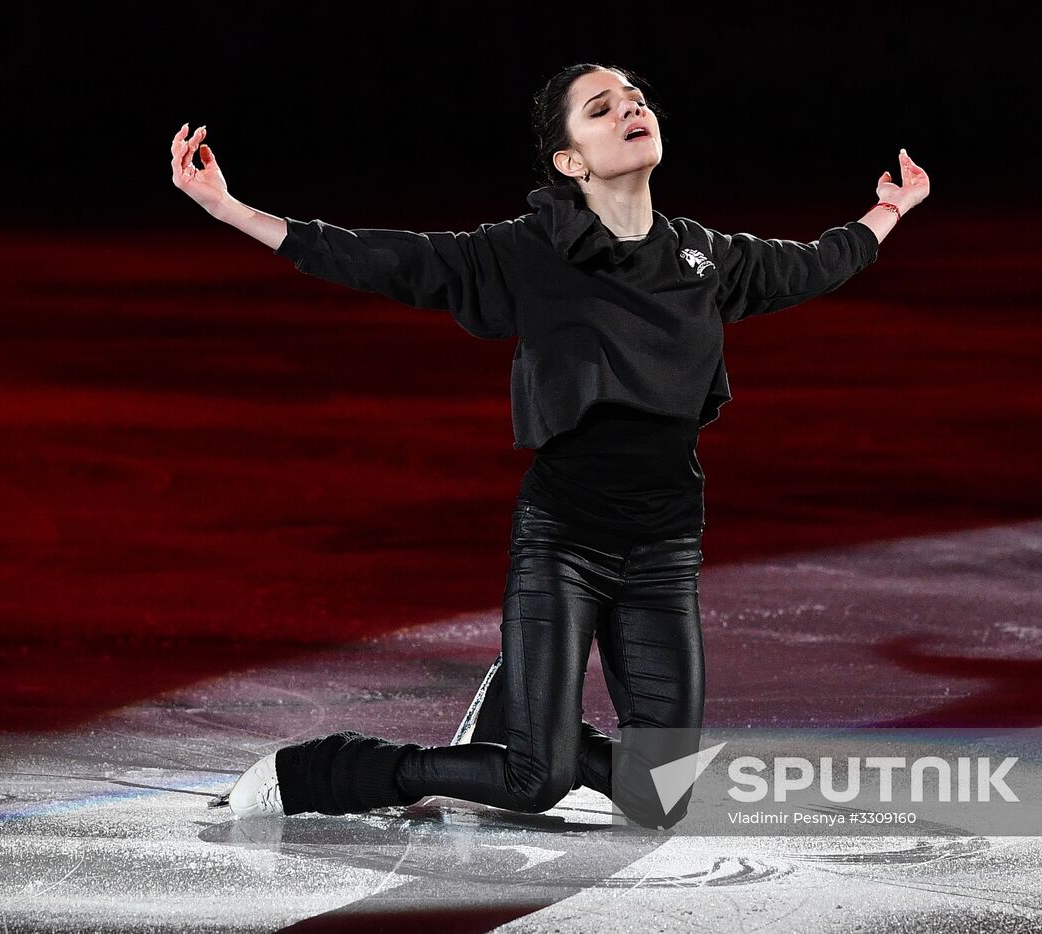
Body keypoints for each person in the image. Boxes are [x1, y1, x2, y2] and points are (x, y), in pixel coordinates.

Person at [169, 62, 930, 830]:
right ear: (571, 160)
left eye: (635, 99)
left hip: (664, 546)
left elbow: (811, 264)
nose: (630, 109)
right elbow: (394, 259)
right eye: (602, 109)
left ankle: (525, 716)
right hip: (565, 539)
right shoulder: (529, 252)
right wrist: (235, 211)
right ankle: (313, 773)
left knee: (660, 797)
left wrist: (887, 213)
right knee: (535, 779)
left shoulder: (702, 257)